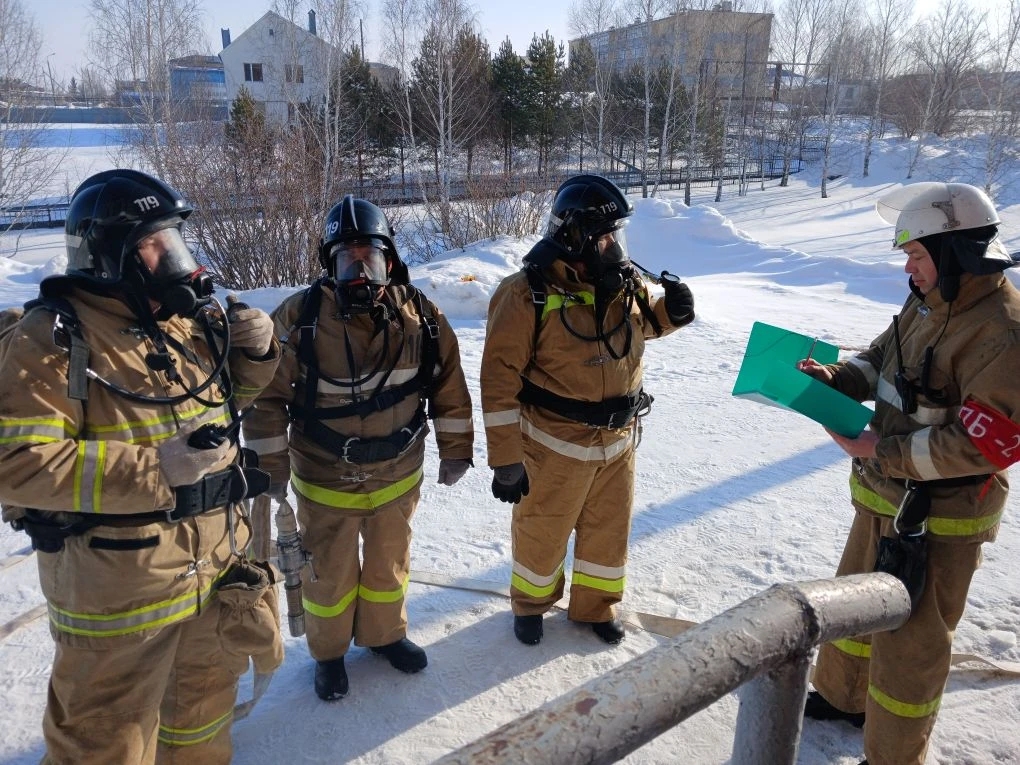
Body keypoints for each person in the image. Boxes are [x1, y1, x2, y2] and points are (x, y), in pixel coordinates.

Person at [0, 169, 283, 764]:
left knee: (201, 732)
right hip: (121, 602)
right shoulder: (52, 338)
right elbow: (19, 463)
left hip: (211, 577)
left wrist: (256, 356)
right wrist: (157, 469)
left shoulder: (184, 322)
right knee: (105, 748)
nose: (176, 260)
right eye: (156, 246)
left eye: (176, 241)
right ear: (111, 257)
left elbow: (222, 407)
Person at [797, 182, 1020, 765]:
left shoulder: (1003, 333)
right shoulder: (927, 301)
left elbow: (987, 444)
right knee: (852, 607)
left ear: (953, 254)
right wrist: (836, 380)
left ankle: (893, 754)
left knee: (912, 645)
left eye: (916, 254)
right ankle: (844, 699)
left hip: (942, 518)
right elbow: (881, 359)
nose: (907, 266)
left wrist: (880, 450)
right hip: (883, 494)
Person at [242, 195, 474, 701]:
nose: (360, 272)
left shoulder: (421, 317)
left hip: (398, 474)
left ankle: (385, 636)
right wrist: (269, 469)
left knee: (390, 564)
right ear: (329, 265)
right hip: (326, 479)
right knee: (329, 573)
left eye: (370, 258)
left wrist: (456, 449)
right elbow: (265, 400)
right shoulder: (298, 319)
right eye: (348, 260)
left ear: (389, 261)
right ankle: (329, 655)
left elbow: (449, 385)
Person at [479, 174, 696, 646]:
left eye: (617, 234)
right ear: (574, 236)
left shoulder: (621, 284)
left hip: (618, 444)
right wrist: (506, 460)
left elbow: (635, 333)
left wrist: (671, 314)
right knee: (543, 531)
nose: (615, 245)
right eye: (604, 236)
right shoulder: (523, 294)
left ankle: (595, 607)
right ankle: (531, 604)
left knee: (608, 532)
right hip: (554, 446)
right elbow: (498, 383)